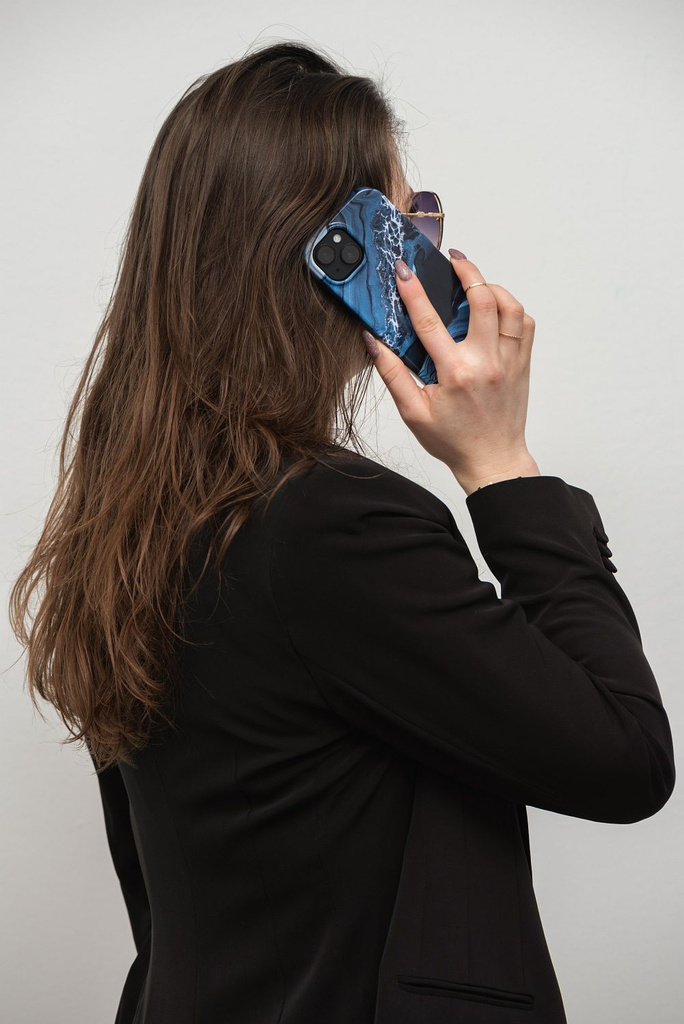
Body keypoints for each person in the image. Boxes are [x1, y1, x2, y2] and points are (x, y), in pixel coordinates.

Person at [9, 40, 675, 1024]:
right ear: (334, 256)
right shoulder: (333, 526)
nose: (431, 254)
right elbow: (626, 757)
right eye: (411, 222)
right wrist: (502, 466)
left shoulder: (139, 517)